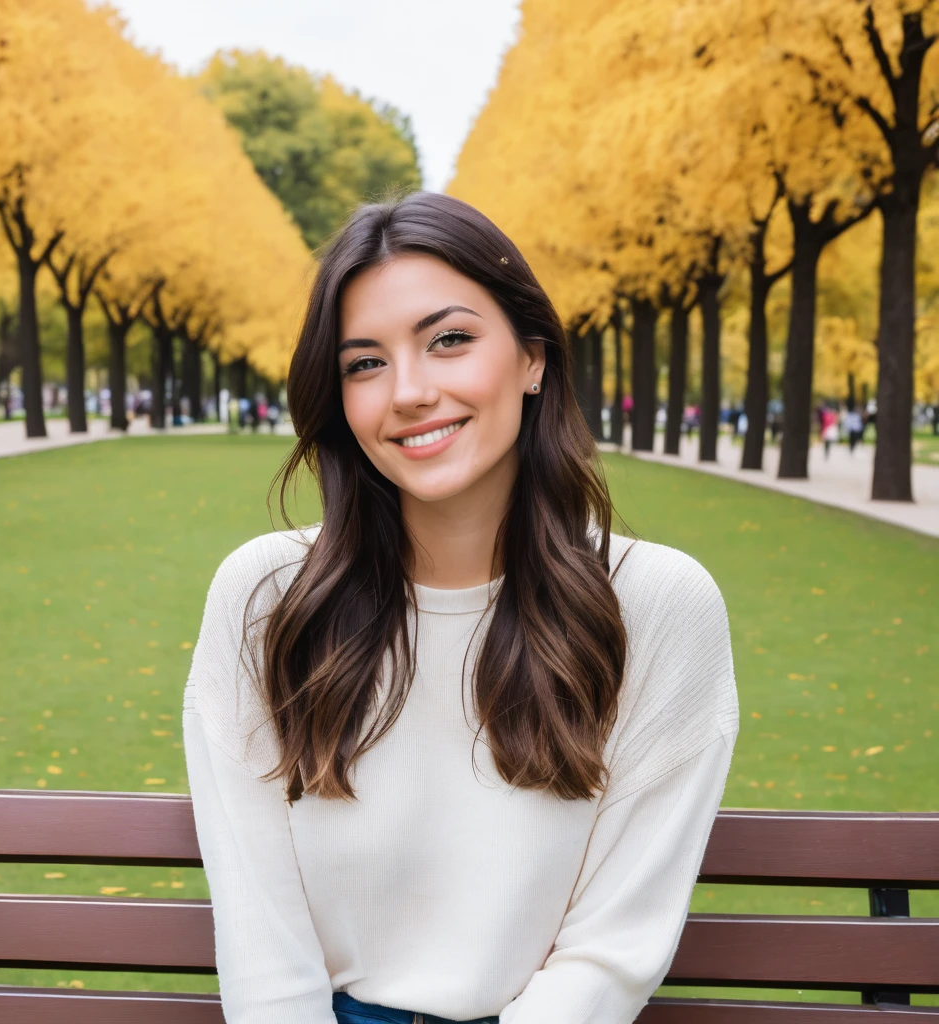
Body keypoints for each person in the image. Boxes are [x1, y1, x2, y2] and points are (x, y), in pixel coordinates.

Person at [182, 192, 739, 1024]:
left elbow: (612, 949)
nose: (408, 392)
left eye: (449, 340)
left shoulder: (657, 605)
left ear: (533, 359)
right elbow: (262, 937)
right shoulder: (267, 597)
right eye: (364, 362)